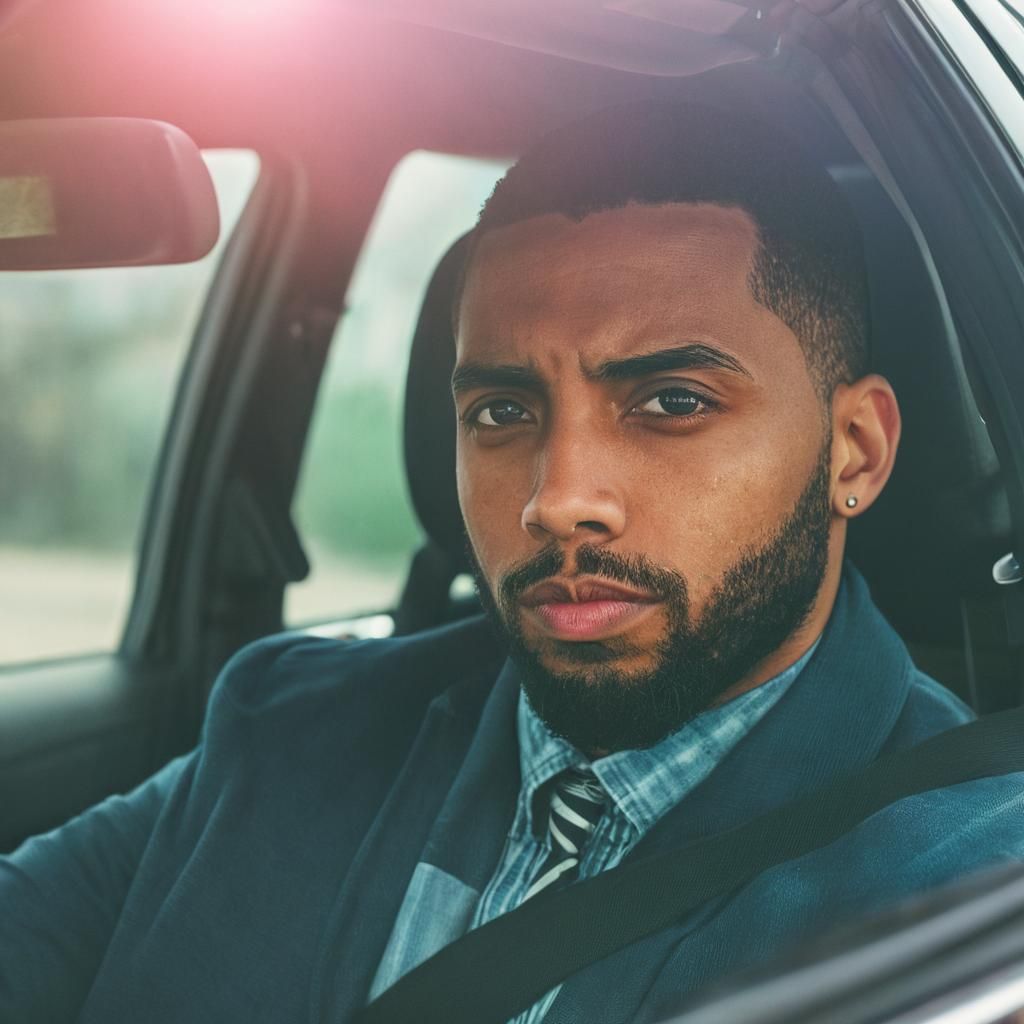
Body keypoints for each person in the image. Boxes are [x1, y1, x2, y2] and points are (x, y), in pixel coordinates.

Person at [3, 102, 1023, 1024]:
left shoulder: (973, 886)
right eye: (501, 412)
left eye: (672, 401)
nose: (556, 499)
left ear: (856, 450)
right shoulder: (285, 727)